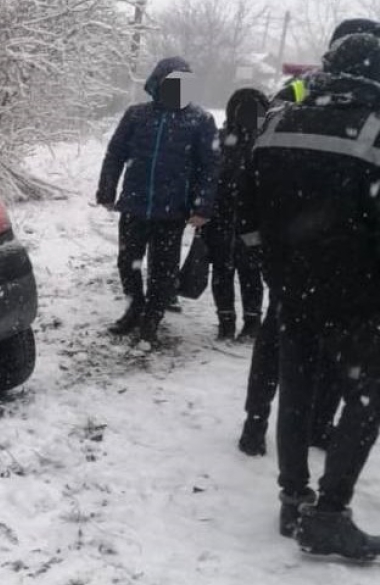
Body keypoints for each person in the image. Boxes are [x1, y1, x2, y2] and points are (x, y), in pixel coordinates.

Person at [243, 30, 380, 560]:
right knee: (366, 396)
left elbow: (247, 207)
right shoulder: (373, 126)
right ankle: (329, 514)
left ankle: (293, 499)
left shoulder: (278, 120)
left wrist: (273, 266)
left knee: (296, 389)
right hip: (357, 297)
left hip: (292, 287)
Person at [96, 57, 216, 345]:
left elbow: (209, 168)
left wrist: (203, 207)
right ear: (157, 84)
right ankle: (134, 308)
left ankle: (151, 319)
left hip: (172, 212)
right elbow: (115, 155)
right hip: (135, 206)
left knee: (163, 271)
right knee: (128, 263)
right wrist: (106, 191)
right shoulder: (136, 115)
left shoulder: (200, 120)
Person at [205, 89, 266, 341]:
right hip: (224, 217)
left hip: (250, 220)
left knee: (247, 271)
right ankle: (227, 320)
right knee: (225, 270)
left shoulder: (264, 143)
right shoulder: (221, 140)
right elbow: (205, 174)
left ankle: (250, 322)